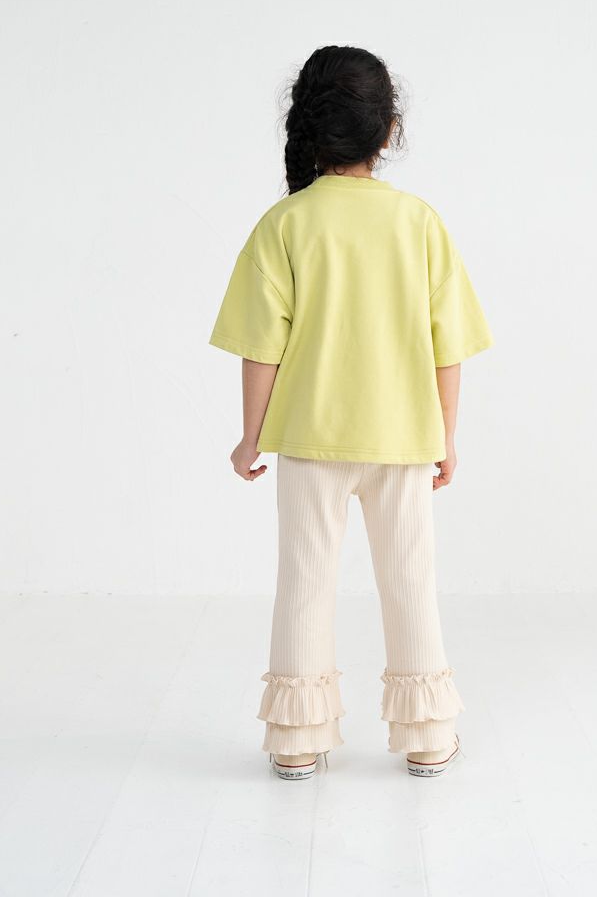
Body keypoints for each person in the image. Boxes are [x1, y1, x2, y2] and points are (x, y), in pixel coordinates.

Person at [208, 45, 493, 779]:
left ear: (308, 125)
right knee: (410, 582)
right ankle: (427, 732)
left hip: (309, 441)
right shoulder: (418, 222)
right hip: (403, 438)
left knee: (304, 583)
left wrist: (249, 438)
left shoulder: (285, 224)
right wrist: (447, 437)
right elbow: (448, 347)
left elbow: (261, 349)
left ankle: (296, 740)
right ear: (388, 129)